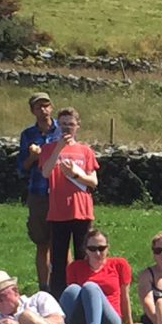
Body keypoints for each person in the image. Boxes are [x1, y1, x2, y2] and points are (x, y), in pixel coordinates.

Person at [39, 106, 100, 299]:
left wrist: (77, 175)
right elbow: (45, 172)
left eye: (71, 124)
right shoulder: (48, 149)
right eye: (63, 124)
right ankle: (59, 299)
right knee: (58, 260)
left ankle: (83, 295)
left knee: (83, 257)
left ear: (77, 126)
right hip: (58, 212)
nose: (67, 128)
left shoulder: (85, 151)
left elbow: (94, 182)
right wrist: (58, 149)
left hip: (81, 210)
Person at [17, 91, 59, 291]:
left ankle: (62, 283)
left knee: (61, 241)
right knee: (42, 242)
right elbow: (22, 167)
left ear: (51, 107)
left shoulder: (63, 130)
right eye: (39, 107)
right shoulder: (28, 135)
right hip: (39, 192)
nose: (44, 110)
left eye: (46, 105)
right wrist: (33, 157)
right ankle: (44, 286)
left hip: (61, 191)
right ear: (32, 111)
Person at [59, 229, 132, 324]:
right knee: (73, 289)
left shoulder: (119, 264)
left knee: (90, 287)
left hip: (111, 321)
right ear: (86, 250)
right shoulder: (75, 267)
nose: (97, 253)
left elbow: (125, 296)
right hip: (83, 317)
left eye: (101, 248)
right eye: (92, 249)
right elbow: (73, 299)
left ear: (108, 248)